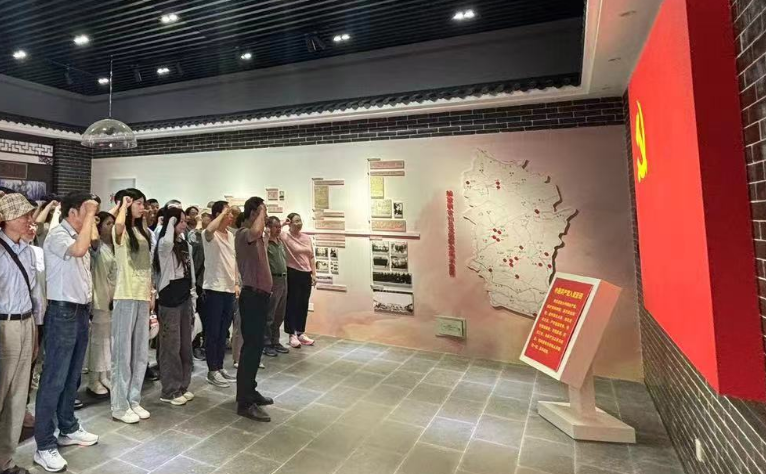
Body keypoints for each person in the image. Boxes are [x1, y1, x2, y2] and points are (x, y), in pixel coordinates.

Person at [34, 191, 100, 473]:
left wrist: (89, 215)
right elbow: (81, 250)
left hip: (81, 311)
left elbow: (91, 243)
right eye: (86, 211)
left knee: (72, 376)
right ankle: (44, 444)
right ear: (72, 213)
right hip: (62, 313)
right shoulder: (57, 236)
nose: (91, 217)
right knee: (54, 379)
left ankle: (68, 427)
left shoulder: (78, 234)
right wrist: (89, 214)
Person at [0, 192, 42, 474]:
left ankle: (5, 460)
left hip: (26, 323)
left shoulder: (28, 250)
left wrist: (36, 330)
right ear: (8, 218)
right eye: (24, 215)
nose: (30, 219)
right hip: (3, 326)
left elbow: (34, 294)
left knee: (17, 397)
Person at [110, 189, 153, 424]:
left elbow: (148, 266)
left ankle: (133, 399)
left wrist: (151, 292)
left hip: (142, 295)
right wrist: (123, 206)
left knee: (140, 353)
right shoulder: (121, 229)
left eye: (142, 203)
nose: (142, 207)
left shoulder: (141, 230)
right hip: (125, 295)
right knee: (122, 354)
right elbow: (117, 225)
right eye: (138, 203)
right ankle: (119, 405)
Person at [234, 197, 273, 421]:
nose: (265, 217)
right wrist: (261, 212)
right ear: (252, 214)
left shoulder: (258, 237)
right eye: (261, 213)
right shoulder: (243, 234)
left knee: (256, 348)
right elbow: (256, 230)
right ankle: (244, 402)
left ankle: (251, 390)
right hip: (251, 297)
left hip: (261, 297)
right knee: (250, 350)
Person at [153, 207, 195, 406]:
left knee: (185, 345)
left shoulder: (185, 243)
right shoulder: (163, 244)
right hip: (169, 299)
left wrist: (193, 297)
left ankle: (182, 386)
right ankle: (170, 390)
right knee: (171, 346)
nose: (184, 225)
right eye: (181, 221)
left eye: (185, 221)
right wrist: (170, 221)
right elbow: (167, 243)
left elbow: (190, 271)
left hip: (185, 297)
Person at [202, 201, 238, 388]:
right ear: (218, 214)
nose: (231, 216)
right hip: (214, 289)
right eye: (228, 213)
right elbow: (209, 229)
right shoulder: (209, 234)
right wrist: (222, 213)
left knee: (223, 332)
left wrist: (236, 283)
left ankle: (220, 366)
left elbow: (233, 261)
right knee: (213, 332)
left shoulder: (230, 235)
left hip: (229, 289)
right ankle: (212, 370)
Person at [86, 211, 117, 398]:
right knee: (98, 341)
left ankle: (104, 375)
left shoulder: (114, 246)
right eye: (108, 224)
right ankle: (93, 379)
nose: (112, 227)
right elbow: (94, 241)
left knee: (107, 340)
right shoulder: (96, 246)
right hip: (99, 298)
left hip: (112, 299)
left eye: (113, 223)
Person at [282, 213, 317, 348]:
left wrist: (314, 273)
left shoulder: (307, 238)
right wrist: (283, 223)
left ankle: (300, 332)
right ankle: (292, 334)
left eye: (300, 221)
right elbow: (269, 232)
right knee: (292, 304)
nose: (299, 223)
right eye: (295, 221)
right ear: (290, 223)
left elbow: (311, 256)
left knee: (303, 304)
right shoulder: (285, 236)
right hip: (293, 272)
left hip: (306, 273)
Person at [263, 216, 289, 357]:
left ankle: (275, 340)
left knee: (280, 313)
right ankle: (266, 343)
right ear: (269, 227)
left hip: (283, 279)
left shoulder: (280, 242)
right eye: (276, 227)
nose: (279, 229)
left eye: (280, 226)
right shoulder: (266, 242)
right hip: (272, 280)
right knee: (270, 314)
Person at [186, 211, 206, 361]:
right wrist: (198, 227)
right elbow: (194, 246)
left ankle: (205, 344)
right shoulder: (193, 235)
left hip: (208, 282)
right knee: (196, 314)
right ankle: (195, 345)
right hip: (196, 281)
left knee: (205, 316)